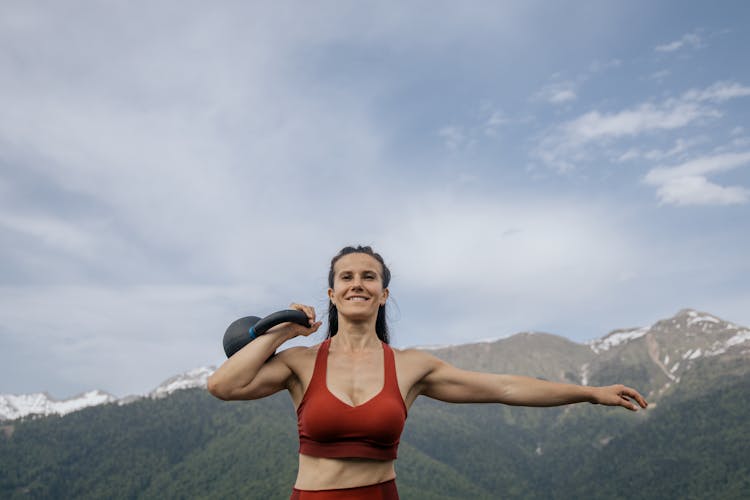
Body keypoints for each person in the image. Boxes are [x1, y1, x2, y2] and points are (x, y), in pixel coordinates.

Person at [207, 245, 648, 499]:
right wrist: (281, 331)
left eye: (368, 277)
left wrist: (589, 393)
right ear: (332, 293)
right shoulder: (299, 362)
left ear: (383, 294)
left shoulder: (411, 366)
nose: (357, 283)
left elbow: (507, 387)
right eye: (346, 277)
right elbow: (223, 386)